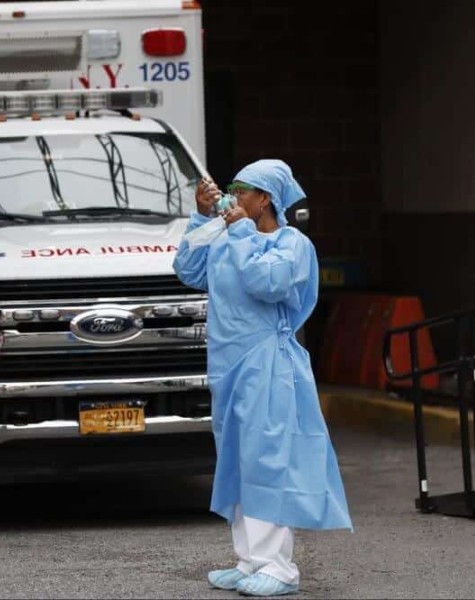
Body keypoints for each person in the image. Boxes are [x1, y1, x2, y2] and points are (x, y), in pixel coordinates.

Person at [172, 159, 353, 597]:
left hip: (267, 363)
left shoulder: (292, 244)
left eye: (241, 190)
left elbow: (266, 283)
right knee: (237, 459)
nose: (231, 196)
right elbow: (189, 270)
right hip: (227, 366)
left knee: (268, 459)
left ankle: (279, 567)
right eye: (230, 188)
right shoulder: (226, 236)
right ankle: (250, 560)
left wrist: (240, 233)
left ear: (265, 199)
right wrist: (201, 216)